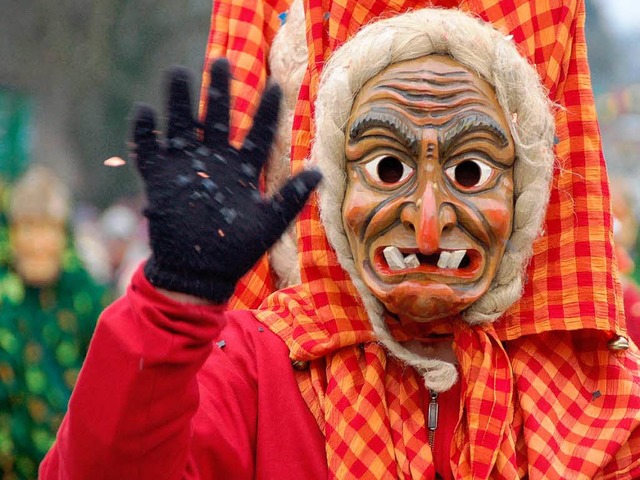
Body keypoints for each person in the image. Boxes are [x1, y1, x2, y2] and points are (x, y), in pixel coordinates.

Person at [41, 5, 640, 480]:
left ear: (527, 196)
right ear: (334, 186)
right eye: (385, 167)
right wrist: (173, 306)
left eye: (470, 172)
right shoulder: (258, 368)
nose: (427, 225)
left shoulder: (598, 396)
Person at [0, 165, 111, 479]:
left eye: (47, 228)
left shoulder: (92, 302)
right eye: (27, 228)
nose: (37, 243)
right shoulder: (4, 301)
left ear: (65, 236)